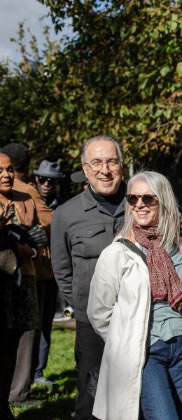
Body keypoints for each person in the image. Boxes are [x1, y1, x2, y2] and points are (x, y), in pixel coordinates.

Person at [87, 171, 182, 419]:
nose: (139, 205)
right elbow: (99, 312)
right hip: (146, 352)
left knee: (180, 414)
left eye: (148, 199)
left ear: (163, 200)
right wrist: (126, 339)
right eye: (132, 199)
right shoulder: (116, 253)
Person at [51, 135, 126, 420]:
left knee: (137, 393)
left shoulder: (142, 205)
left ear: (122, 165)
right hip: (91, 323)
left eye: (111, 161)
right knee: (90, 395)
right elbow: (62, 270)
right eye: (96, 162)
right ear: (85, 168)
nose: (104, 170)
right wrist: (84, 307)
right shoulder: (66, 215)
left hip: (139, 319)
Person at [0, 144, 52, 403]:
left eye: (9, 170)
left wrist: (28, 249)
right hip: (3, 278)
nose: (6, 175)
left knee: (22, 336)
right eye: (0, 171)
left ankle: (14, 396)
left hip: (27, 277)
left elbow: (39, 238)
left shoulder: (25, 199)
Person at [31, 160, 66, 388]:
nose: (45, 184)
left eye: (50, 181)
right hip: (31, 272)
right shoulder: (27, 202)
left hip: (53, 274)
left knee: (45, 323)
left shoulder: (64, 208)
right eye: (42, 179)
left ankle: (38, 372)